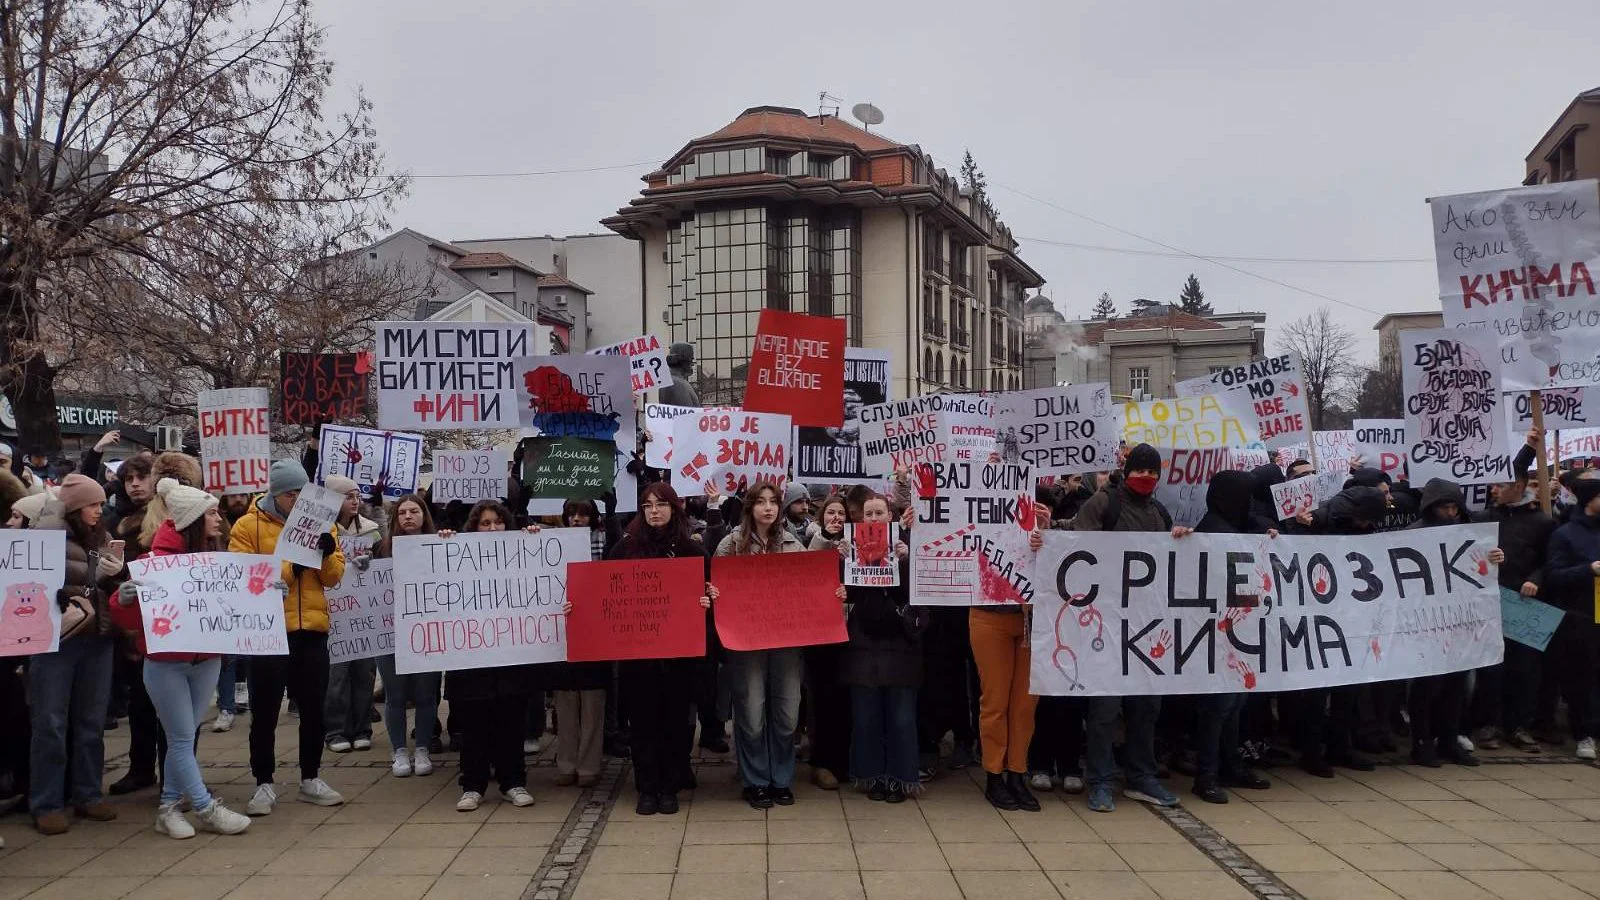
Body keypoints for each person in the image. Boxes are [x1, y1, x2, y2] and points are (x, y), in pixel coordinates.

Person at [112, 479, 251, 838]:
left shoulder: (217, 558)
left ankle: (169, 809)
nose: (218, 519)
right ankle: (205, 807)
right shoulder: (153, 564)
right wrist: (124, 600)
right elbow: (127, 620)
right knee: (180, 736)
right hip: (165, 663)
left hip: (206, 661)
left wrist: (268, 591)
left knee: (185, 737)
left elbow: (239, 601)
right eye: (211, 513)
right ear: (192, 521)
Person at [1067, 444, 1185, 812]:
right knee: (1105, 709)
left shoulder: (1160, 512)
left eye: (1153, 473)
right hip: (1106, 624)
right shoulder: (1104, 504)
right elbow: (1074, 544)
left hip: (1147, 627)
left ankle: (1141, 777)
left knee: (1147, 706)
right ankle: (1101, 780)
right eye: (1141, 471)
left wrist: (1181, 541)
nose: (1147, 478)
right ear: (1128, 470)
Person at [229, 459, 347, 815]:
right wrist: (291, 567)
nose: (298, 499)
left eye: (302, 492)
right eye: (291, 493)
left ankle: (311, 777)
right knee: (264, 711)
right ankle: (263, 783)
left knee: (314, 710)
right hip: (269, 631)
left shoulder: (321, 520)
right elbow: (243, 575)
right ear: (276, 494)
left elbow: (333, 577)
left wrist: (326, 554)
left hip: (311, 630)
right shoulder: (247, 526)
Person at [712, 479, 831, 810]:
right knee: (750, 714)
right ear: (750, 507)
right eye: (761, 501)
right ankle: (755, 780)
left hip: (787, 644)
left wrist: (832, 595)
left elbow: (812, 587)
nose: (768, 507)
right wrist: (716, 594)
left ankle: (781, 777)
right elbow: (717, 587)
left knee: (787, 714)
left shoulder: (794, 545)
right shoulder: (730, 546)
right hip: (746, 644)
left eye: (773, 502)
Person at [609, 482, 712, 815]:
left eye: (661, 504)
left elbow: (712, 594)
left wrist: (706, 601)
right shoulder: (625, 550)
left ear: (674, 508)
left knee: (675, 723)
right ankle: (647, 787)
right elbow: (604, 593)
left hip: (679, 658)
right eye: (648, 505)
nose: (654, 511)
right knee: (642, 724)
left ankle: (670, 786)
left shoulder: (692, 551)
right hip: (638, 658)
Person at [29, 474, 121, 834]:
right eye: (93, 505)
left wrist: (116, 574)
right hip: (56, 641)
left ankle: (87, 794)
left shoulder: (101, 536)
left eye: (100, 504)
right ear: (75, 507)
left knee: (91, 722)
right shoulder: (46, 536)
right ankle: (47, 802)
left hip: (96, 637)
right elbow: (29, 583)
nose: (100, 510)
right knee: (50, 723)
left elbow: (104, 586)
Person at [446, 500, 540, 811]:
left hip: (511, 656)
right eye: (484, 523)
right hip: (472, 658)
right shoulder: (456, 554)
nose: (492, 529)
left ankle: (513, 781)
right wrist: (443, 545)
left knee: (512, 722)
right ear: (473, 528)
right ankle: (472, 785)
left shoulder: (520, 552)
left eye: (497, 522)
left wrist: (535, 542)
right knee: (473, 723)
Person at [1189, 470, 1272, 804]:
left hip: (1236, 629)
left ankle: (1229, 765)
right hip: (1219, 633)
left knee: (1234, 703)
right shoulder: (1214, 530)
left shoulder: (1234, 526)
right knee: (1219, 706)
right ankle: (1206, 773)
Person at [1406, 479, 1498, 767]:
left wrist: (1494, 557)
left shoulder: (1467, 532)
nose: (1450, 512)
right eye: (1444, 506)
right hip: (1428, 623)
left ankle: (1448, 740)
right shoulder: (1412, 535)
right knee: (1427, 688)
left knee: (1456, 686)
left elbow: (1478, 566)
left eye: (1453, 507)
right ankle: (1422, 743)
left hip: (1460, 621)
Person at [1471, 440, 1555, 753]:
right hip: (1491, 604)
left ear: (1518, 486)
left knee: (1526, 670)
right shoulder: (1482, 520)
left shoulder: (1542, 523)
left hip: (1526, 604)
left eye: (1499, 483)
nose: (1493, 489)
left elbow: (1551, 562)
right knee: (1492, 669)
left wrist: (1535, 580)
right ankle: (1488, 724)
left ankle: (1519, 725)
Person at [841, 494, 924, 802]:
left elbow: (917, 593)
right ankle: (871, 776)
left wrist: (906, 559)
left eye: (880, 512)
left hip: (900, 646)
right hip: (863, 646)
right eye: (869, 513)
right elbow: (846, 595)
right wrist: (843, 561)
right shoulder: (851, 550)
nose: (874, 518)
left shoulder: (905, 548)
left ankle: (901, 779)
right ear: (861, 519)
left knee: (901, 718)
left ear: (890, 516)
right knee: (866, 717)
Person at [371, 493, 442, 779]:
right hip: (390, 633)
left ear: (424, 515)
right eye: (402, 513)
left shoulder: (440, 546)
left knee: (427, 694)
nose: (408, 517)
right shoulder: (380, 550)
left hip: (428, 632)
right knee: (395, 694)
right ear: (395, 519)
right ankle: (399, 750)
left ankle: (422, 747)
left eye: (414, 511)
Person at [548, 499, 614, 788]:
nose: (576, 519)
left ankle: (588, 765)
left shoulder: (604, 539)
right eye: (571, 514)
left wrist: (612, 516)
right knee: (564, 699)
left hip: (596, 629)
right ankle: (566, 762)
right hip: (561, 629)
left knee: (592, 700)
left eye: (583, 515)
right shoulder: (551, 541)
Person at [323, 475, 383, 754]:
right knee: (337, 676)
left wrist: (371, 565)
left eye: (358, 496)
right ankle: (335, 731)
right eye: (349, 496)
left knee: (364, 672)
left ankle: (361, 729)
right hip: (332, 611)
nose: (355, 501)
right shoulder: (321, 531)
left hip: (364, 611)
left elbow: (385, 562)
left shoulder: (371, 529)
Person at [1542, 471, 1600, 759]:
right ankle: (1584, 733)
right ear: (1590, 500)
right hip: (1582, 617)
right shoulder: (1564, 534)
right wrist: (1588, 570)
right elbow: (1553, 576)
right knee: (1583, 679)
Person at [803, 495, 853, 791]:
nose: (837, 517)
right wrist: (827, 539)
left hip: (849, 631)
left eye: (842, 513)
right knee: (821, 697)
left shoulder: (858, 544)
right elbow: (811, 563)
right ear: (821, 518)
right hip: (819, 632)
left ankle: (843, 760)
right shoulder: (814, 539)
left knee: (844, 699)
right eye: (831, 513)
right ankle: (821, 762)